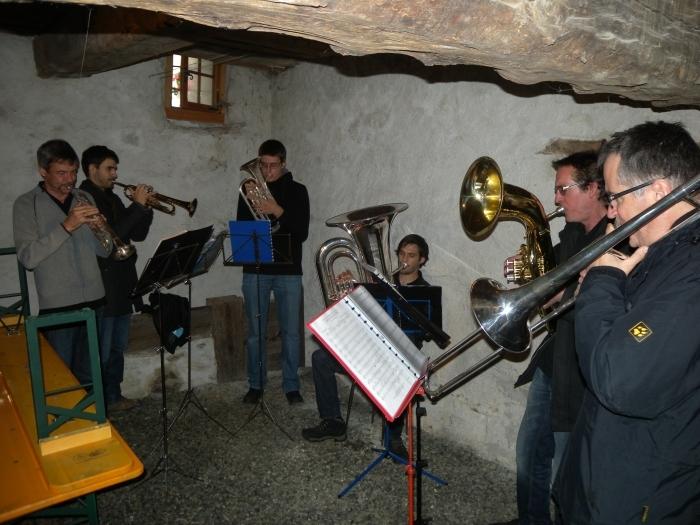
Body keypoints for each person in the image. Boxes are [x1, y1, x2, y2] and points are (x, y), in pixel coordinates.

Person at [554, 121, 700, 524]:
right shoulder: (660, 253)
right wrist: (609, 287)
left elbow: (618, 379)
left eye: (615, 196)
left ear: (657, 191)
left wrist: (603, 281)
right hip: (603, 476)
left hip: (640, 496)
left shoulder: (691, 271)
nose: (611, 210)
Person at [495, 152, 609, 525]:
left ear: (594, 188)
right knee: (529, 451)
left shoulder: (618, 237)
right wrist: (528, 272)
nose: (556, 198)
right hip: (552, 359)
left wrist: (565, 295)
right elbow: (548, 280)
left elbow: (612, 304)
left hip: (583, 372)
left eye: (564, 189)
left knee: (564, 465)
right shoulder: (572, 234)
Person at [301, 234, 431, 458]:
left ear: (422, 260)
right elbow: (359, 316)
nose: (404, 260)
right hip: (369, 349)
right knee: (320, 358)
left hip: (397, 356)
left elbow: (425, 334)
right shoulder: (381, 281)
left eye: (411, 256)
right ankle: (333, 421)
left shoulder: (425, 291)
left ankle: (393, 437)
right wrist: (350, 292)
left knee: (404, 372)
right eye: (401, 254)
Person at [13, 139, 111, 383]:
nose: (70, 179)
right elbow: (28, 258)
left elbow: (105, 252)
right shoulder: (26, 204)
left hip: (95, 301)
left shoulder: (84, 196)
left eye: (74, 172)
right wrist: (67, 226)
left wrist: (102, 231)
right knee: (61, 379)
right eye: (61, 173)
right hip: (58, 308)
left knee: (92, 376)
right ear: (42, 171)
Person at [79, 146, 153, 412]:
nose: (115, 174)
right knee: (102, 348)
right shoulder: (85, 200)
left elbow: (137, 234)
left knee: (117, 347)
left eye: (115, 168)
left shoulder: (112, 198)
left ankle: (113, 396)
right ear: (92, 169)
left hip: (123, 283)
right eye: (109, 168)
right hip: (103, 285)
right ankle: (97, 403)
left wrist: (146, 208)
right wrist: (137, 206)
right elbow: (111, 239)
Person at [236, 139, 310, 404]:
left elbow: (301, 232)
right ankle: (256, 384)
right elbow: (243, 229)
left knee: (291, 332)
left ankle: (291, 385)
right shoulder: (248, 192)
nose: (267, 171)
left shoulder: (298, 191)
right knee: (255, 332)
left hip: (289, 271)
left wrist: (276, 210)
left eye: (273, 166)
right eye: (263, 165)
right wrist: (255, 205)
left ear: (284, 163)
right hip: (255, 268)